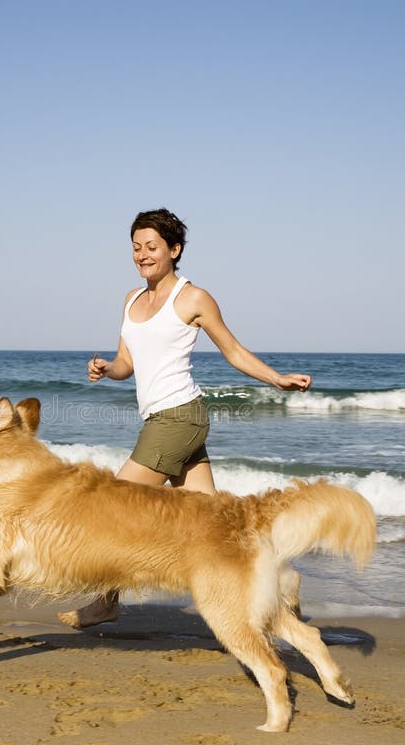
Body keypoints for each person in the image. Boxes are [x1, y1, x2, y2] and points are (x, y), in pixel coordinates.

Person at [59, 208, 312, 628]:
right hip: (169, 421)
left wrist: (276, 379)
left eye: (152, 246)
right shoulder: (132, 300)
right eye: (136, 248)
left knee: (112, 508)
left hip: (178, 418)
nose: (143, 254)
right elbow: (127, 361)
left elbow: (233, 350)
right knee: (212, 521)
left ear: (174, 250)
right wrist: (107, 368)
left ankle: (106, 600)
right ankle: (281, 578)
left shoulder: (192, 298)